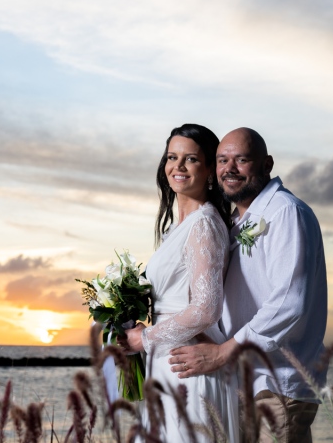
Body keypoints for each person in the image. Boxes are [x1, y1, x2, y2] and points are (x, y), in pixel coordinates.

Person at [167, 128, 328, 443]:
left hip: (277, 385)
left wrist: (220, 353)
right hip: (241, 383)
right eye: (223, 160)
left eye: (241, 160)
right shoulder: (237, 221)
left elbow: (289, 304)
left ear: (267, 164)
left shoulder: (285, 212)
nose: (230, 169)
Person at [123, 124, 240, 443]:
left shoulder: (204, 225)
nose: (179, 165)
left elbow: (206, 308)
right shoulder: (180, 228)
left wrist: (144, 339)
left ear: (211, 172)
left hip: (187, 364)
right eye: (172, 157)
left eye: (191, 159)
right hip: (167, 360)